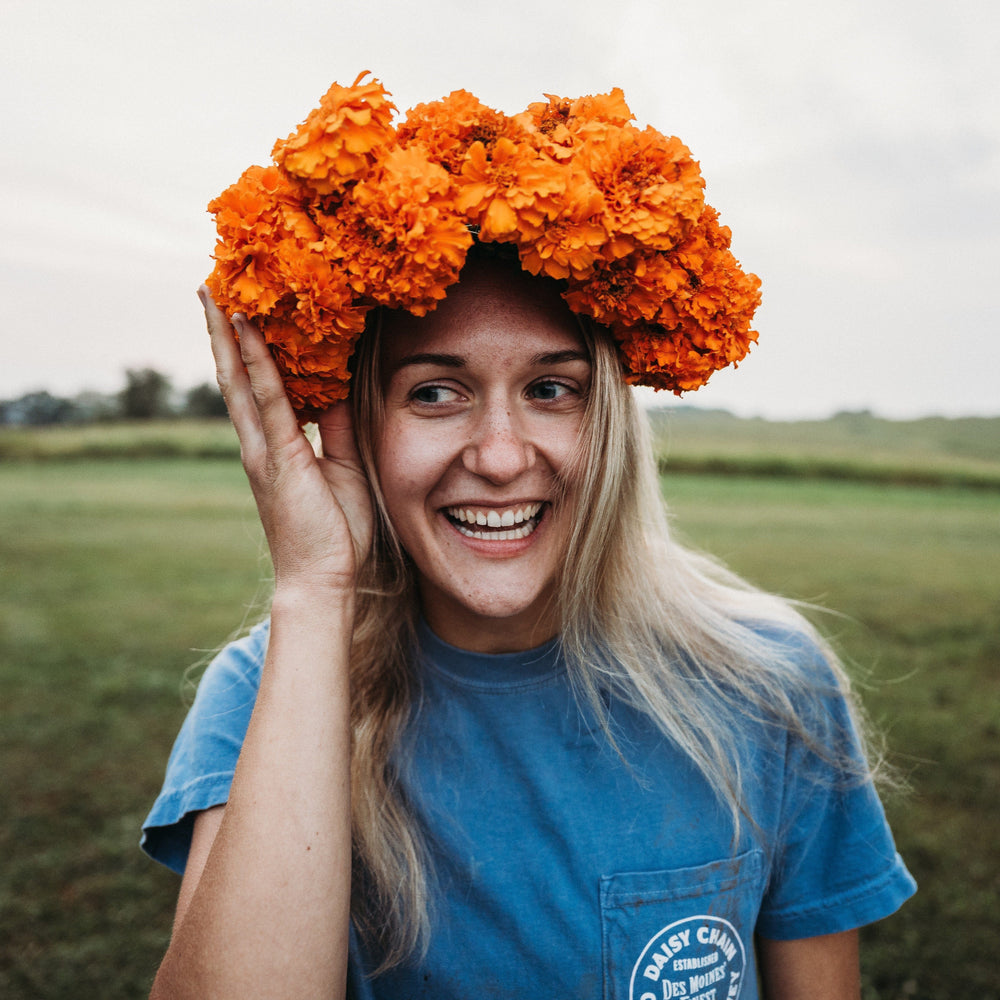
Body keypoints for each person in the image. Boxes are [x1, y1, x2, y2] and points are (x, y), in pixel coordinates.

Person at [142, 76, 915, 999]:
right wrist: (313, 591)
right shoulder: (264, 694)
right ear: (361, 430)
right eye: (435, 391)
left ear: (613, 427)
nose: (502, 457)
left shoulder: (770, 681)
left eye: (553, 389)